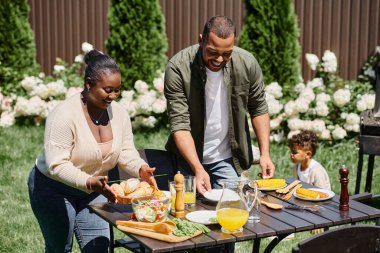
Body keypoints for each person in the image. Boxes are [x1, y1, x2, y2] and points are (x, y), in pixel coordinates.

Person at [27, 50, 157, 253]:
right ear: (89, 84)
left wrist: (140, 168)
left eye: (117, 90)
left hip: (94, 190)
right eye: (107, 90)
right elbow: (56, 165)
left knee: (99, 249)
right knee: (60, 247)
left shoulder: (120, 114)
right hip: (53, 188)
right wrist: (88, 181)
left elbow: (125, 150)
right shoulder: (63, 115)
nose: (113, 96)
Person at [164, 16, 275, 194]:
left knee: (233, 208)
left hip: (225, 159)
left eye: (226, 54)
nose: (219, 59)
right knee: (187, 212)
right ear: (201, 40)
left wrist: (265, 154)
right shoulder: (178, 68)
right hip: (187, 160)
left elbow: (259, 108)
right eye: (212, 52)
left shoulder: (247, 63)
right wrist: (198, 169)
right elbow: (180, 125)